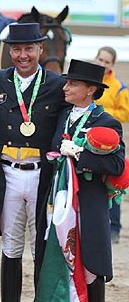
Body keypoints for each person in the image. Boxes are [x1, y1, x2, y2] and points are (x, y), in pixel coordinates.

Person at [0, 23, 67, 302]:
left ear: (40, 49)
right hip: (7, 174)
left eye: (29, 48)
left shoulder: (56, 84)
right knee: (10, 246)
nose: (23, 55)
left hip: (40, 176)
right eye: (16, 49)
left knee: (40, 246)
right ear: (9, 52)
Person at [34, 59, 125, 302]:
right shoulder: (62, 115)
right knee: (53, 256)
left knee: (89, 267)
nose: (65, 88)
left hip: (87, 202)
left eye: (72, 84)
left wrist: (79, 154)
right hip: (58, 198)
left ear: (91, 89)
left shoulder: (107, 122)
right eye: (66, 83)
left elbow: (116, 165)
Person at [95, 46, 129, 244]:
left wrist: (104, 113)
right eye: (100, 59)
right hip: (91, 139)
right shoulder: (89, 80)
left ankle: (114, 227)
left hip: (111, 141)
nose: (102, 64)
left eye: (107, 62)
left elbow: (125, 113)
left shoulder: (119, 87)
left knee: (112, 184)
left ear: (112, 65)